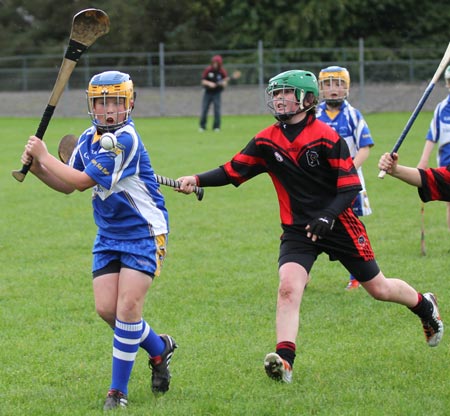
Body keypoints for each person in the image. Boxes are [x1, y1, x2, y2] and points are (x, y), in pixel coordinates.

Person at [176, 69, 443, 384]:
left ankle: (424, 306)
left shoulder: (328, 138)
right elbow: (233, 170)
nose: (278, 99)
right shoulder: (265, 140)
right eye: (275, 94)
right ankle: (285, 362)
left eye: (285, 93)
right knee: (288, 288)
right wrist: (196, 179)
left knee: (379, 288)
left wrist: (327, 216)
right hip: (297, 230)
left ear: (308, 99)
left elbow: (349, 188)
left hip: (339, 224)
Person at [21, 71, 177, 410]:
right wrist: (37, 169)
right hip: (109, 235)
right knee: (107, 309)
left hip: (144, 233)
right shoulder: (89, 140)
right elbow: (66, 184)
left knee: (127, 309)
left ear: (130, 104)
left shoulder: (126, 139)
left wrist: (45, 156)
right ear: (91, 105)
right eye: (101, 102)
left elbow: (80, 182)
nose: (109, 110)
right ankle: (158, 348)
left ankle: (117, 393)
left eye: (116, 102)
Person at [316, 65, 374, 290]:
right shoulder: (315, 115)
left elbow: (365, 148)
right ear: (321, 88)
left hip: (348, 185)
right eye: (328, 84)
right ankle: (303, 273)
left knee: (351, 230)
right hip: (320, 184)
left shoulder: (353, 115)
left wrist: (346, 171)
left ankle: (356, 276)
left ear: (346, 87)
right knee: (310, 225)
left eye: (338, 84)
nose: (333, 89)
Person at [416, 65, 450, 230]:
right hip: (446, 164)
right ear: (447, 84)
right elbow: (432, 136)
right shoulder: (441, 109)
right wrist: (423, 160)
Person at [199, 55, 229, 132]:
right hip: (207, 92)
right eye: (214, 63)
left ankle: (216, 127)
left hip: (217, 93)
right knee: (204, 109)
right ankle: (202, 126)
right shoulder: (208, 70)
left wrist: (223, 83)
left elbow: (225, 83)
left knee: (217, 110)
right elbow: (203, 81)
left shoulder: (222, 71)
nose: (215, 64)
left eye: (217, 63)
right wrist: (209, 84)